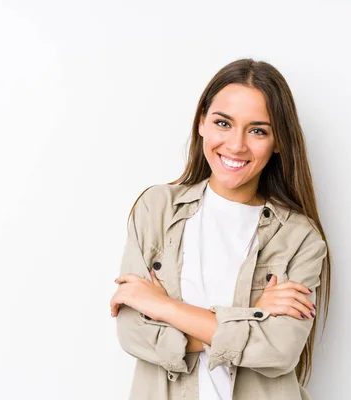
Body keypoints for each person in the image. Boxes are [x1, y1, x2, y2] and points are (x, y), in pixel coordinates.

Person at [110, 58, 331, 400]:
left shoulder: (299, 238)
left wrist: (163, 307)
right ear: (202, 123)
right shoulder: (157, 209)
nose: (236, 145)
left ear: (277, 142)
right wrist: (254, 315)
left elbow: (279, 350)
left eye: (258, 130)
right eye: (223, 123)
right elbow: (133, 333)